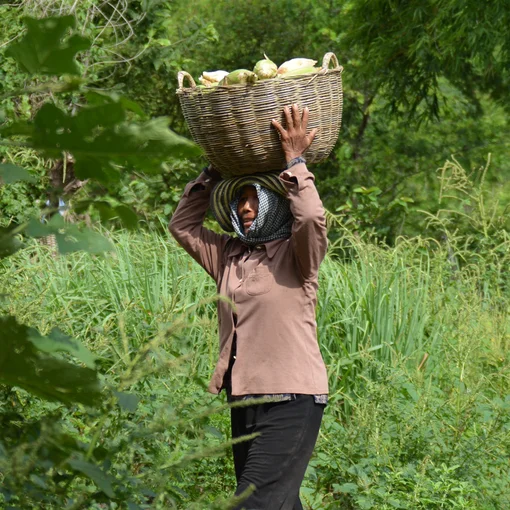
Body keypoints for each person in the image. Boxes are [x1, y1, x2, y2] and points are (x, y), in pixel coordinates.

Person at [169, 104, 329, 509]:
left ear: (275, 203)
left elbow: (310, 216)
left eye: (253, 198)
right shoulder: (229, 255)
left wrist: (295, 161)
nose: (244, 207)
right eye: (239, 200)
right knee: (279, 504)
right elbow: (182, 227)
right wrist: (212, 173)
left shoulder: (297, 255)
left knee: (253, 504)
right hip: (244, 400)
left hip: (291, 399)